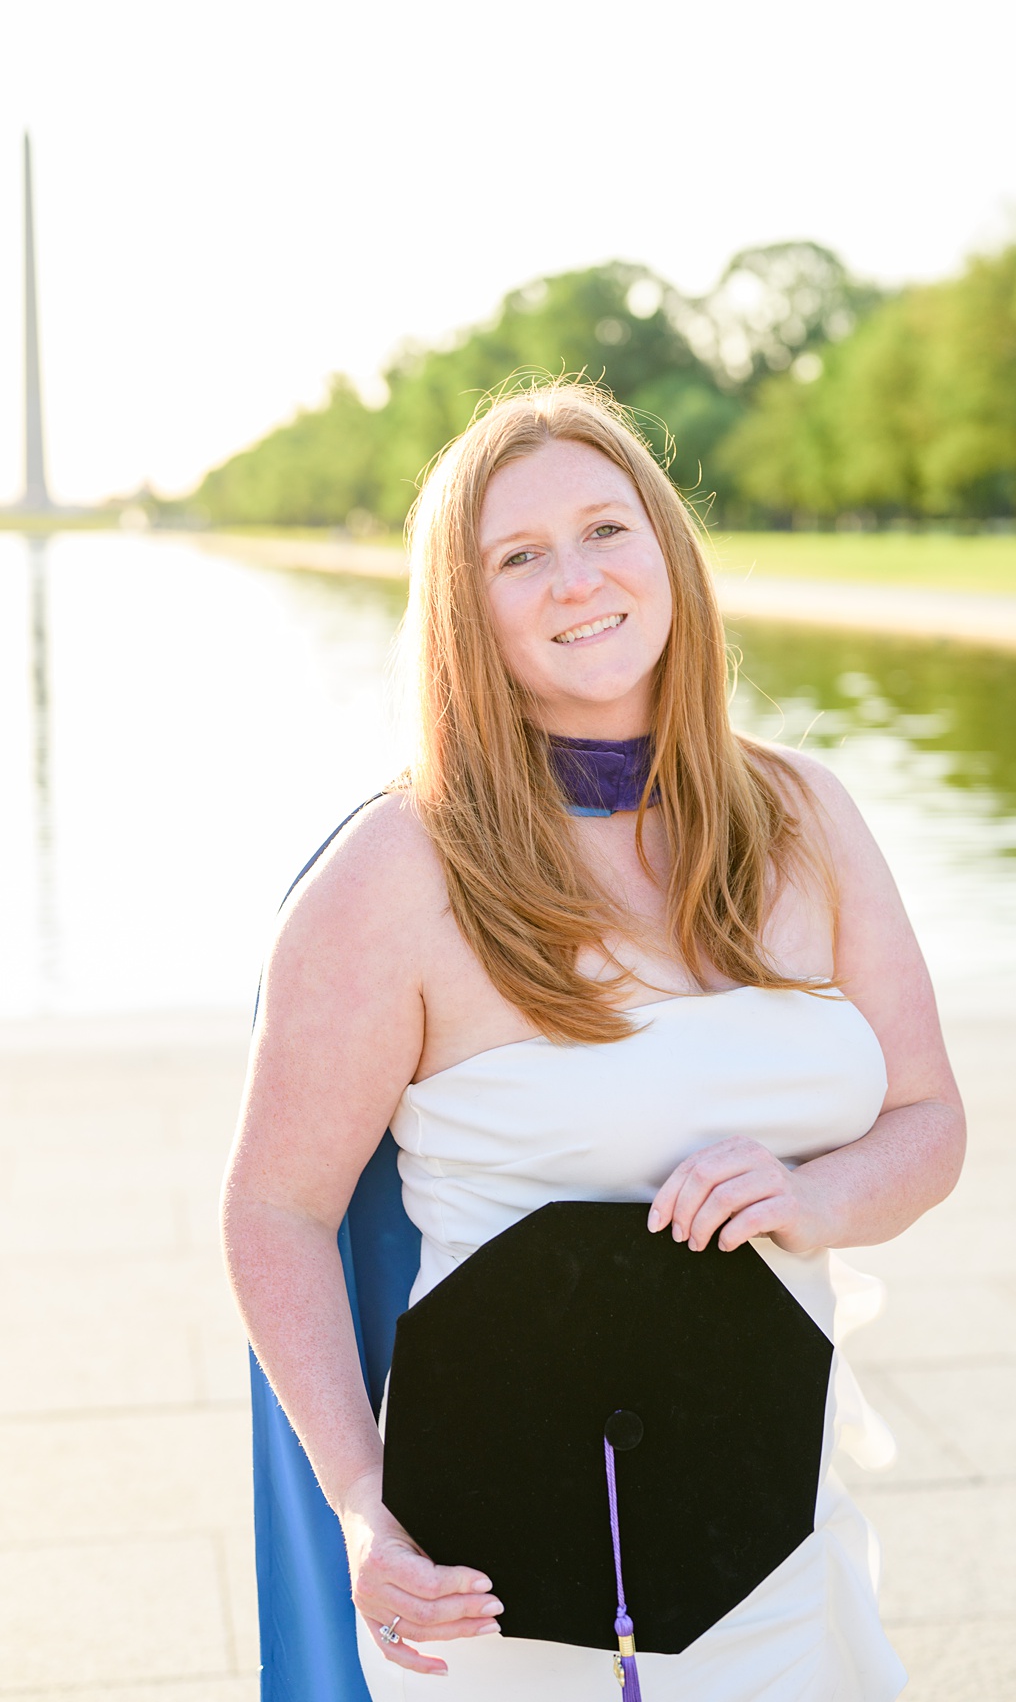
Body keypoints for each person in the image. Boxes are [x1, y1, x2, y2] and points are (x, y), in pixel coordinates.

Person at [222, 380, 965, 1698]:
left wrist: (812, 1192)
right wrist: (357, 1508)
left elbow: (927, 1122)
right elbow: (277, 1209)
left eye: (605, 528)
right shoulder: (393, 873)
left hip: (777, 1531)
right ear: (471, 614)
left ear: (668, 550)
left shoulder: (808, 814)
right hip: (509, 1573)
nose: (577, 580)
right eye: (519, 556)